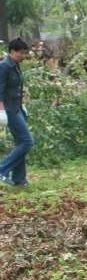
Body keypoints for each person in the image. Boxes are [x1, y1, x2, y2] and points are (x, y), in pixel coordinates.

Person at [0, 38, 32, 188]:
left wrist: (22, 104)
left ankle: (19, 179)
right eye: (21, 53)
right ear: (12, 51)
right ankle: (2, 169)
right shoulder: (4, 67)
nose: (23, 56)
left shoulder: (16, 65)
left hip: (18, 107)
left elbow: (15, 88)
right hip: (9, 110)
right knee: (27, 141)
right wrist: (1, 112)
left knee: (21, 143)